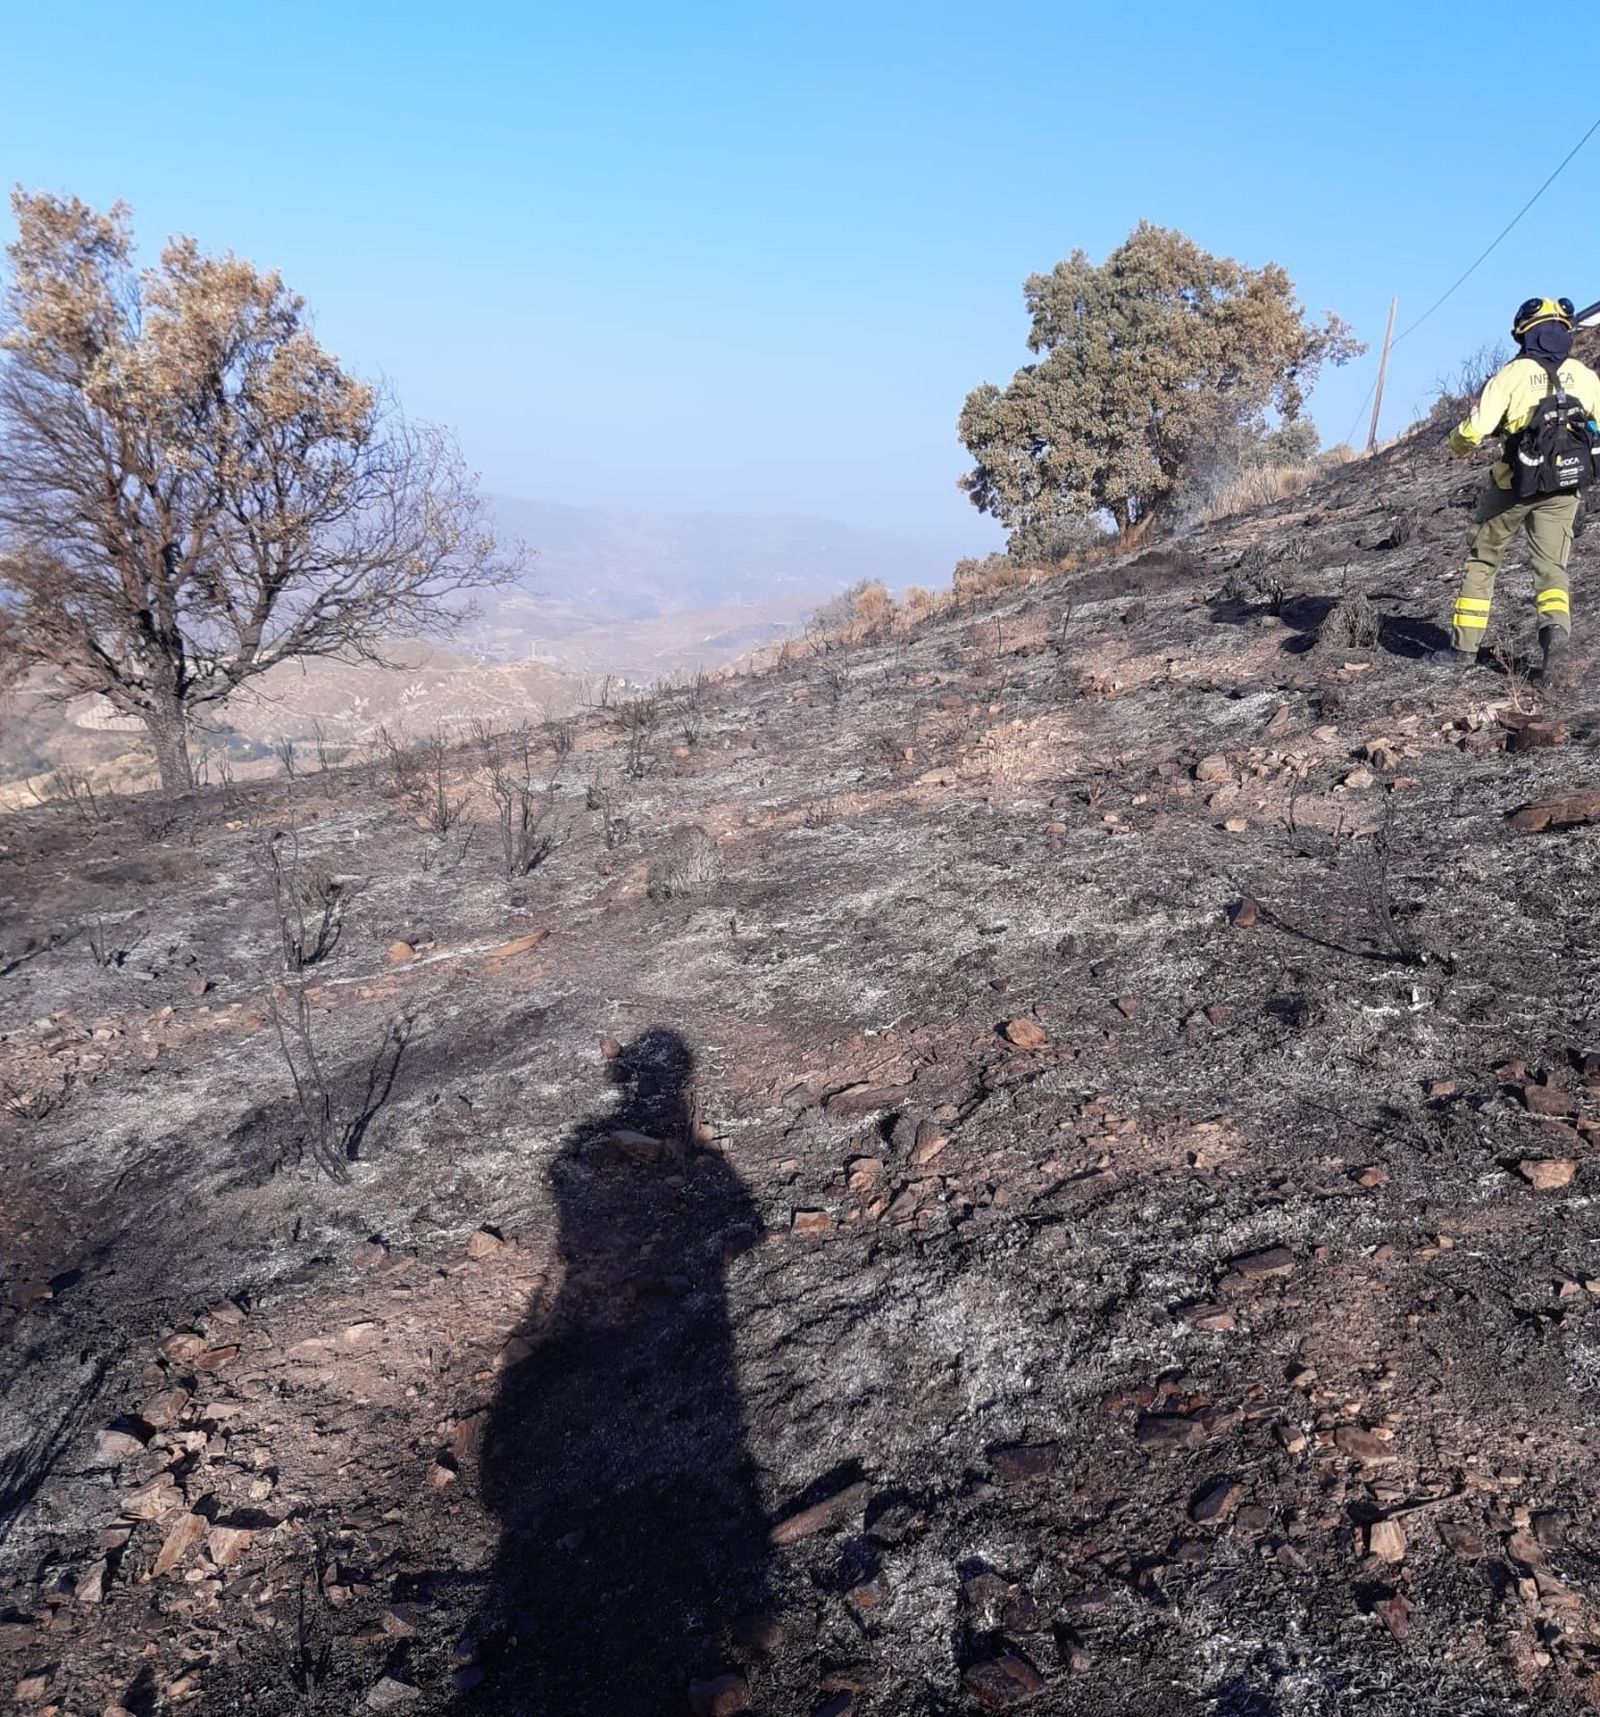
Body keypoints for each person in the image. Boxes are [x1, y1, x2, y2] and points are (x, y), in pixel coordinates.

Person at [1431, 297, 1600, 687]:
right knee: (1552, 568)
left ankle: (1463, 650)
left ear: (1525, 334)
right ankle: (1555, 637)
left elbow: (1476, 429)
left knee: (1482, 560)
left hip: (1513, 485)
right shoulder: (1584, 375)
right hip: (1565, 485)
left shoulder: (1511, 375)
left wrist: (1455, 443)